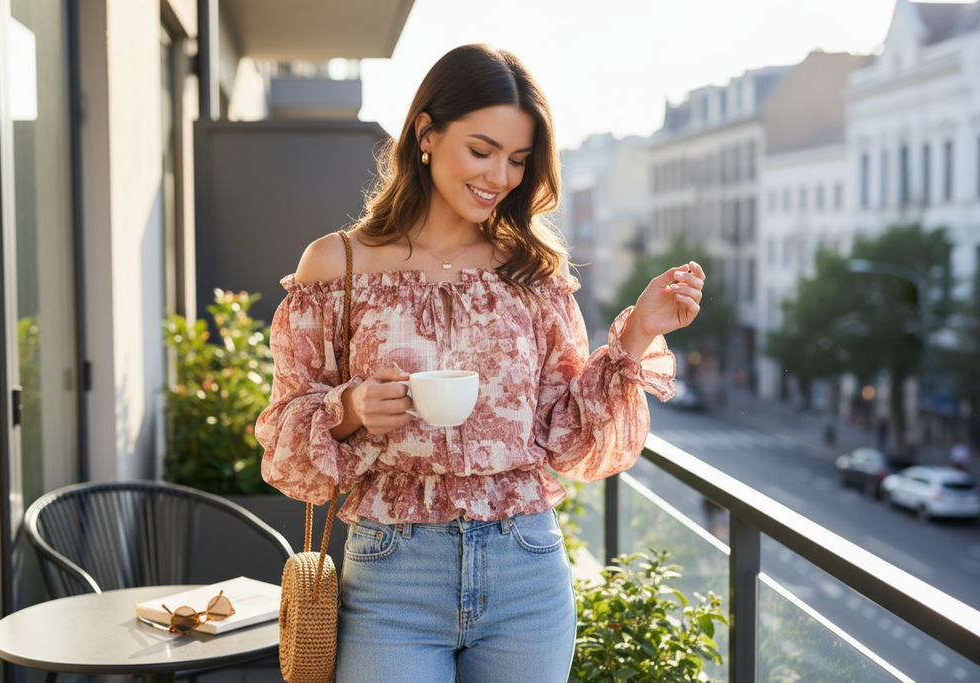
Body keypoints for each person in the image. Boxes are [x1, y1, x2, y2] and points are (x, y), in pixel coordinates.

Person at [255, 44, 705, 683]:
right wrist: (349, 409)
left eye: (519, 160)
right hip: (392, 574)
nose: (500, 176)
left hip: (526, 567)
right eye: (482, 150)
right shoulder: (337, 266)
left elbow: (566, 434)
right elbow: (283, 438)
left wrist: (637, 336)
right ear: (426, 134)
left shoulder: (534, 272)